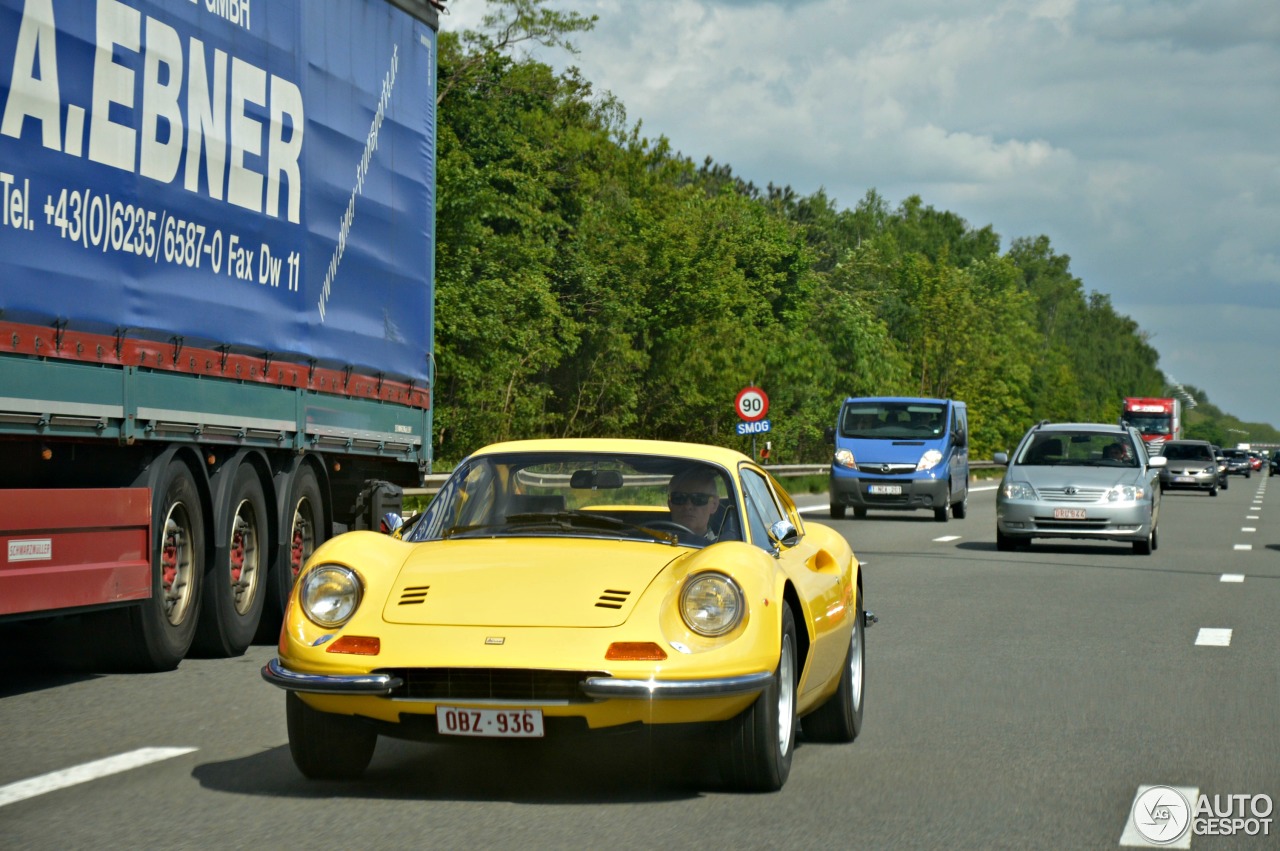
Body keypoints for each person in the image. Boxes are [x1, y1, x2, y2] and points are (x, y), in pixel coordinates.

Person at [666, 467, 722, 541]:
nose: (688, 506)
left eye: (698, 499)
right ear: (670, 504)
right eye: (679, 498)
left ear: (714, 505)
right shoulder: (651, 542)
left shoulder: (720, 550)